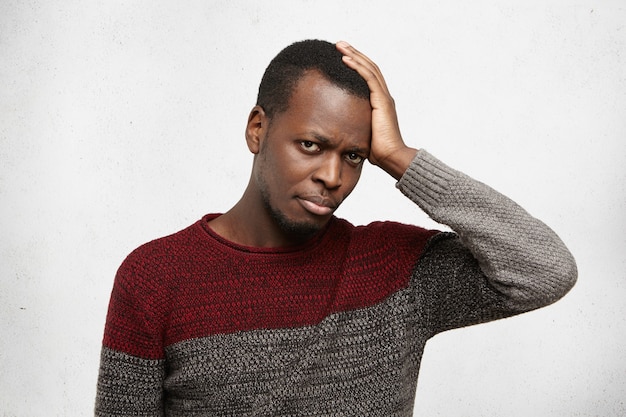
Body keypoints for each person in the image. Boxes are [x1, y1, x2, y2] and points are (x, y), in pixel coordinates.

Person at [95, 39, 577, 416]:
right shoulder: (155, 276)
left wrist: (399, 158)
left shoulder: (396, 271)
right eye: (310, 145)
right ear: (257, 129)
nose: (333, 176)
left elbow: (546, 271)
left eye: (354, 156)